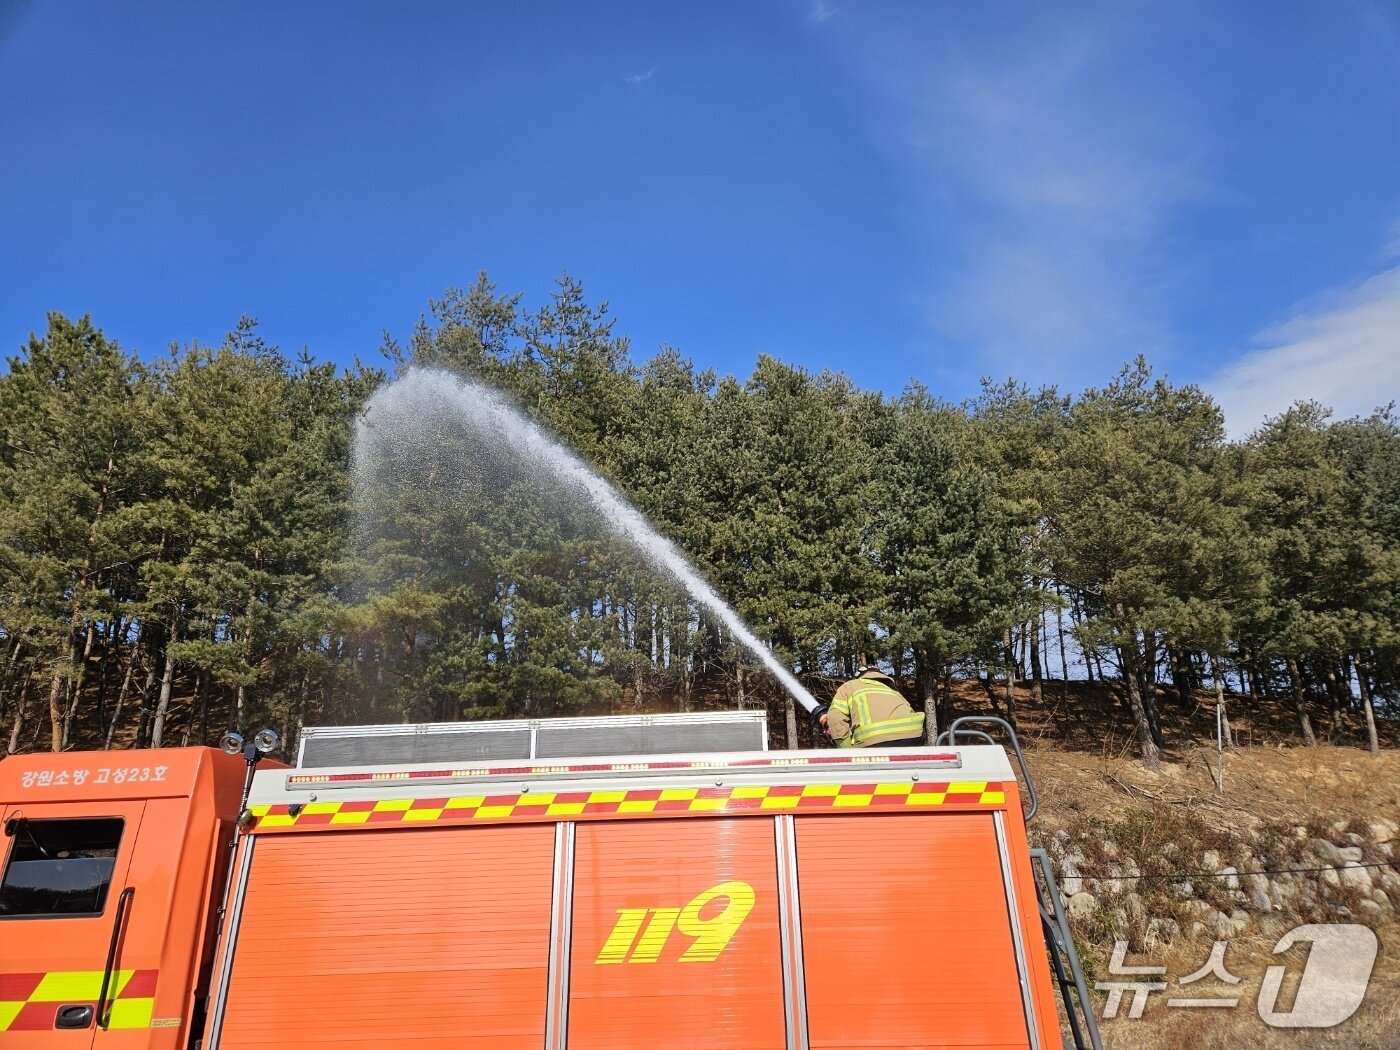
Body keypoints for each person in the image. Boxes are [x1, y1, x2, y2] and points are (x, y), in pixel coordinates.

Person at [819, 665, 926, 747]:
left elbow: (835, 718)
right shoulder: (891, 690)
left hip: (876, 741)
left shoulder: (850, 685)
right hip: (914, 736)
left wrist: (847, 750)